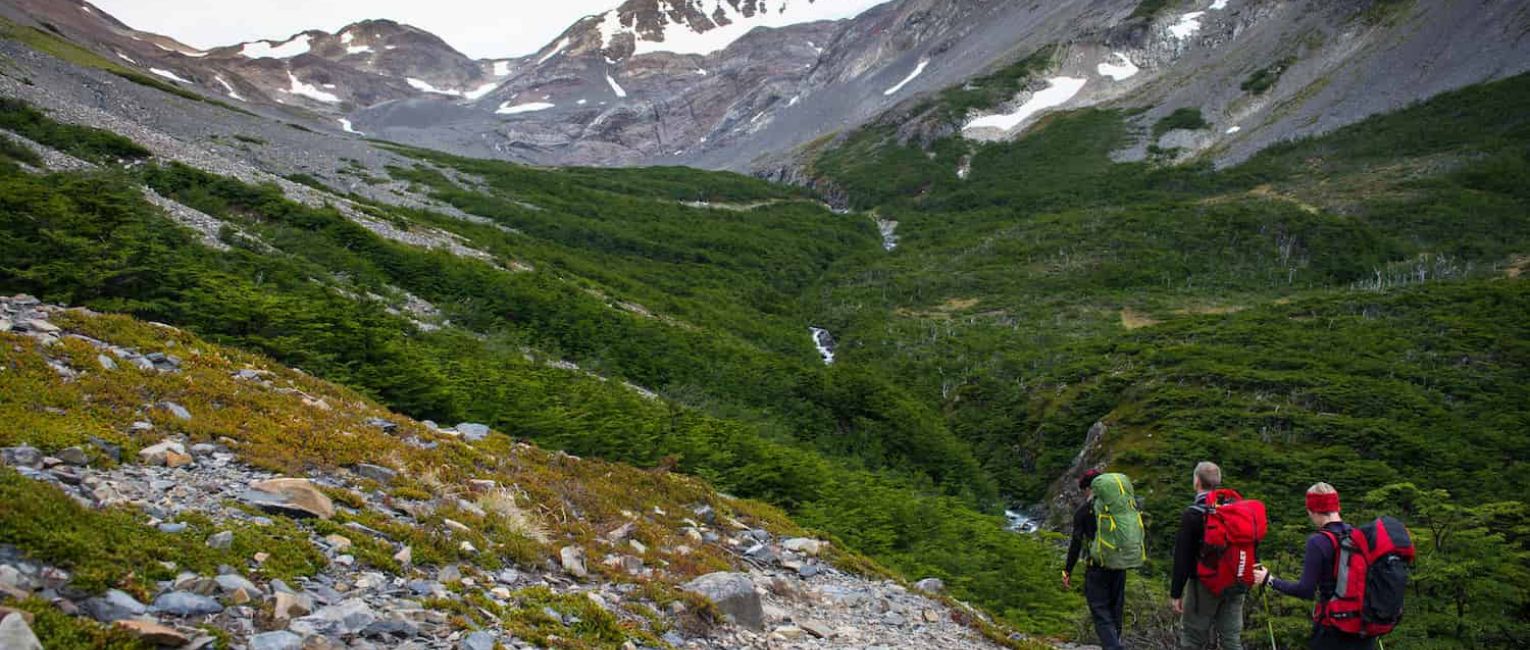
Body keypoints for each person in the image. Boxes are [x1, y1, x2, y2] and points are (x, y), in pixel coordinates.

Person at [1252, 483, 1376, 650]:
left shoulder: (1318, 541)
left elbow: (1305, 590)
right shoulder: (1358, 536)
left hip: (1332, 629)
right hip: (1363, 627)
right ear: (1337, 507)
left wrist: (1269, 580)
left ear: (1313, 511)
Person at [1171, 461, 1245, 650]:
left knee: (1192, 637)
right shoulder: (1237, 509)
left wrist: (1176, 593)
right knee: (1231, 637)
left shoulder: (1193, 514)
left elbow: (1182, 558)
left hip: (1204, 584)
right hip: (1236, 582)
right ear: (1218, 482)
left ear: (1197, 481)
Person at [1064, 468, 1125, 650]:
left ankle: (1114, 647)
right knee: (1116, 609)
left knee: (1100, 611)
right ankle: (1115, 642)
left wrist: (1067, 570)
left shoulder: (1084, 511)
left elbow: (1076, 544)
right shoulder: (1119, 506)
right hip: (1119, 563)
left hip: (1097, 566)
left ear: (1089, 489)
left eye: (1084, 490)